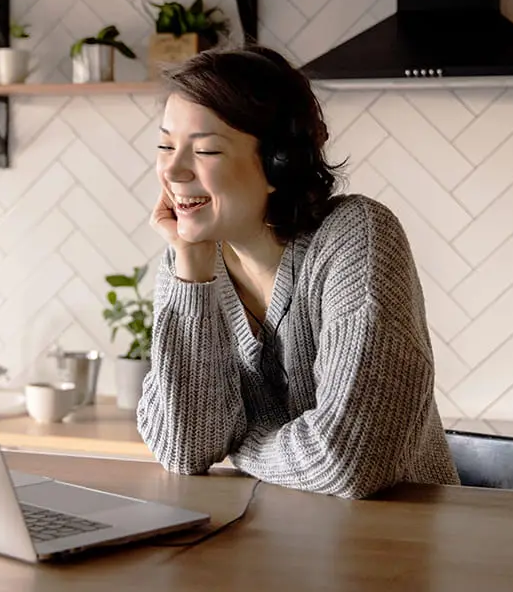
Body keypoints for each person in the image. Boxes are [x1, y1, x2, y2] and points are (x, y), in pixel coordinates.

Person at [136, 45, 460, 500]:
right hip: (274, 543)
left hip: (398, 546)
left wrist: (241, 442)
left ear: (277, 164)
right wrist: (190, 272)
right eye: (165, 145)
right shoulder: (189, 263)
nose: (172, 169)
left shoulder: (356, 236)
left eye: (205, 150)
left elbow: (348, 461)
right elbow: (184, 450)